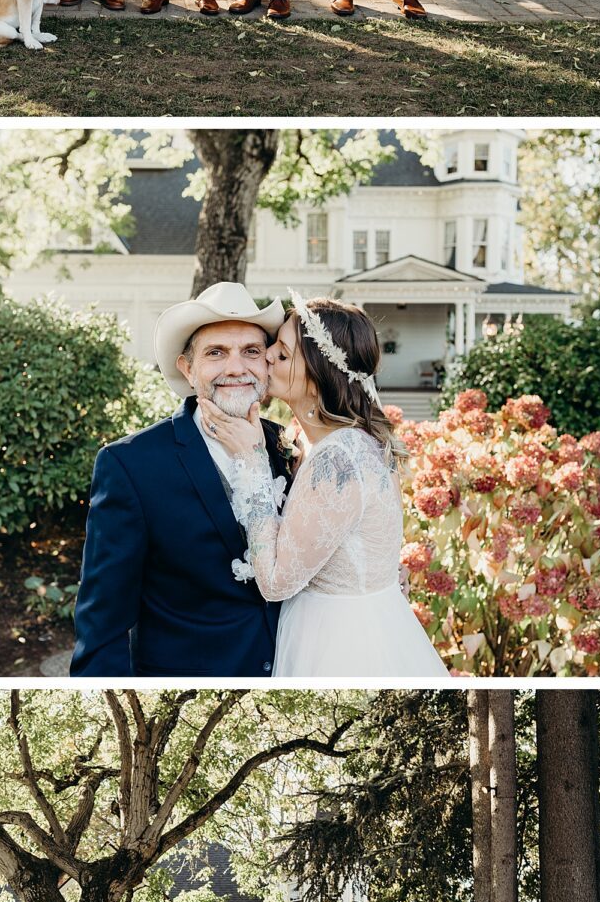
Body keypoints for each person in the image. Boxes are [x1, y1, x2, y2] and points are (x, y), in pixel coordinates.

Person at [200, 297, 447, 678]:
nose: (265, 357)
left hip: (340, 640)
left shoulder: (340, 457)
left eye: (281, 354)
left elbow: (276, 581)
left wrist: (251, 463)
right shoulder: (332, 442)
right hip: (343, 618)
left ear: (316, 375)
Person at [71, 282, 288, 677]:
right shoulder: (130, 464)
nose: (236, 367)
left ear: (268, 364)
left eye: (251, 351)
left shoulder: (288, 448)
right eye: (216, 353)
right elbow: (102, 625)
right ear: (188, 369)